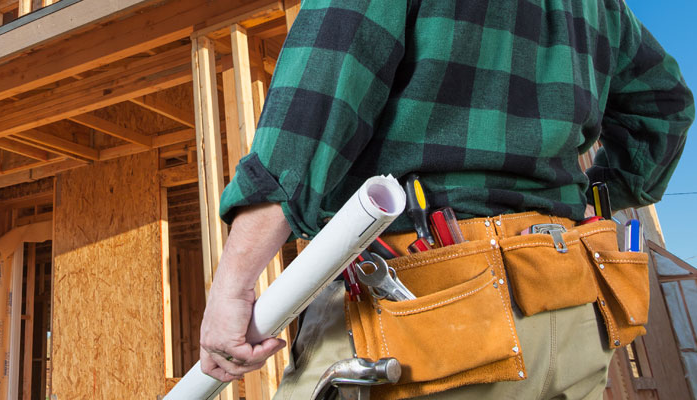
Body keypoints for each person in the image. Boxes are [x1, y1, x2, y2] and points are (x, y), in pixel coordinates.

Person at [198, 0, 693, 398]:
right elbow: (667, 107)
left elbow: (311, 109)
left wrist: (234, 286)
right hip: (571, 304)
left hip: (433, 310)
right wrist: (597, 196)